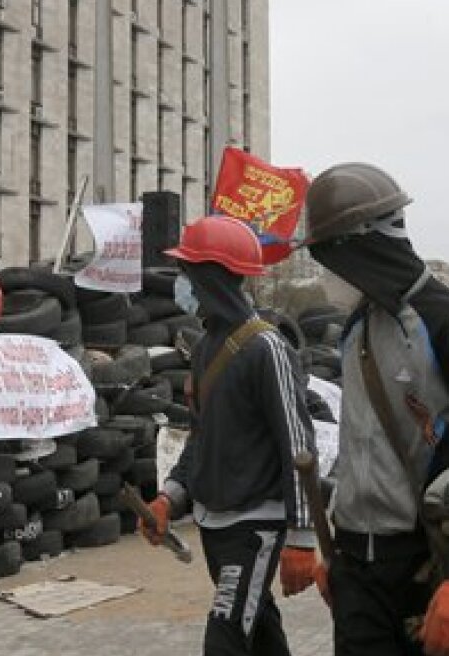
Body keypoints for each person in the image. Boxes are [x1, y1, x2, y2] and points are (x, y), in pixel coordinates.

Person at [301, 162, 449, 656]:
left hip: (430, 569)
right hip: (357, 572)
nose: (326, 278)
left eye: (327, 259)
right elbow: (359, 441)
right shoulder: (356, 329)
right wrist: (337, 544)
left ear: (361, 245)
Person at [140, 215, 318, 656]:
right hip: (215, 525)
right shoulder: (205, 348)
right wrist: (171, 498)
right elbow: (201, 437)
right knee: (259, 631)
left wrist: (301, 535)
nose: (182, 284)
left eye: (188, 273)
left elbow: (298, 444)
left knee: (225, 636)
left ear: (211, 277)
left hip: (255, 526)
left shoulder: (266, 348)